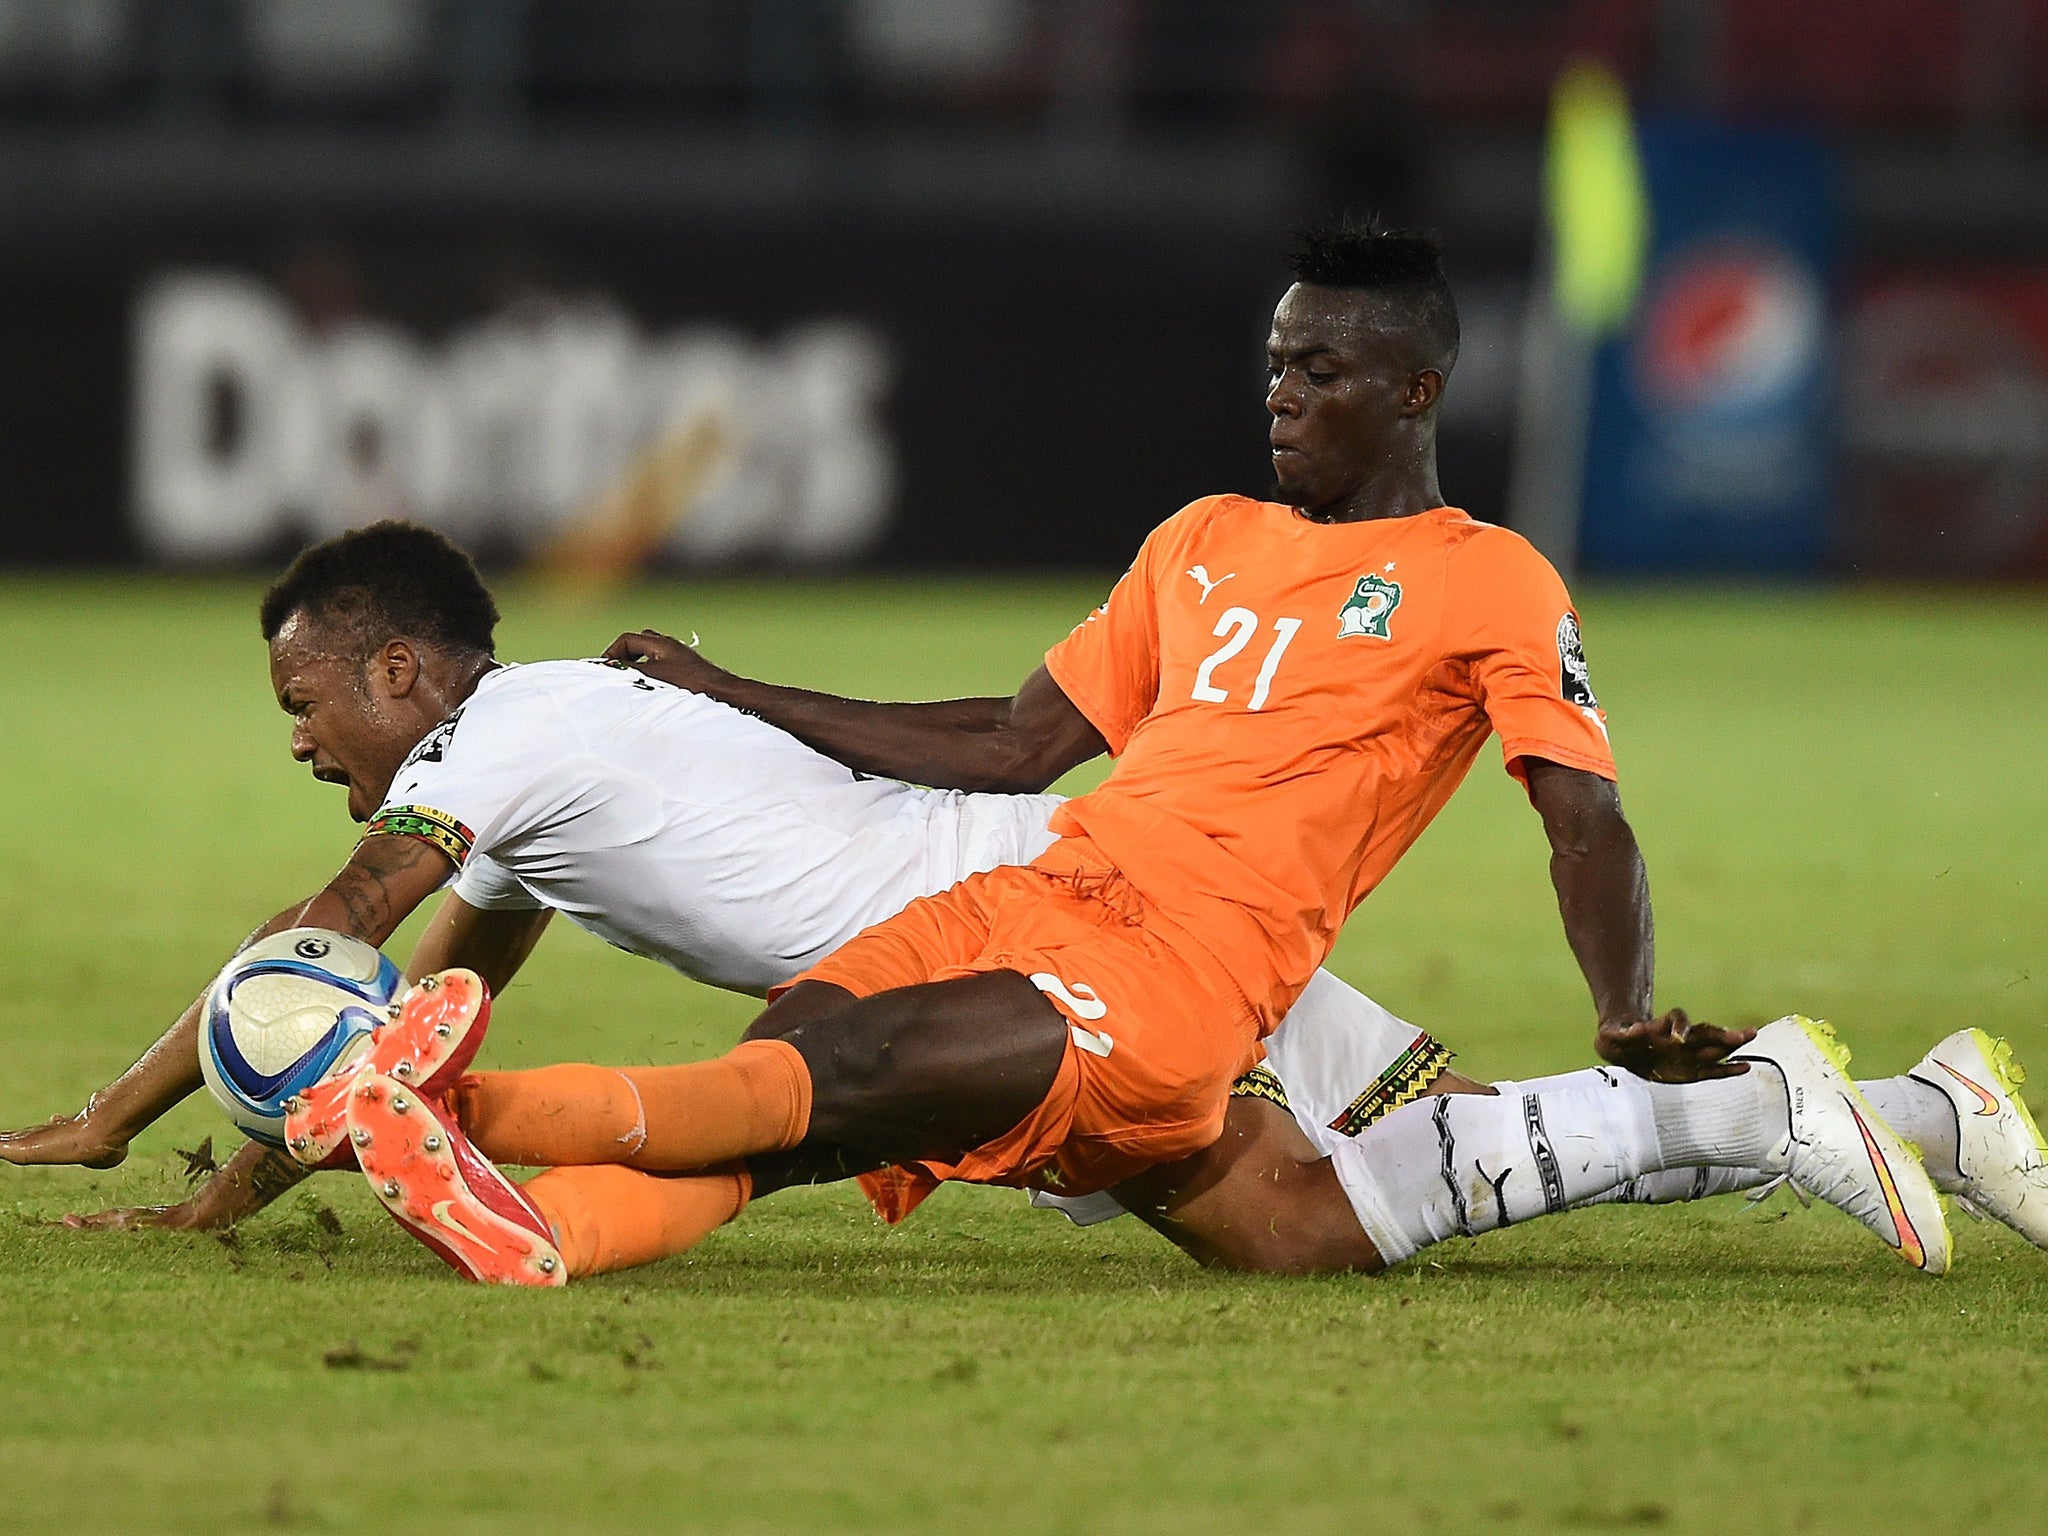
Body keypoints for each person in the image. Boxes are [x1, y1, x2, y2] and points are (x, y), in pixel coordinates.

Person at [292, 222, 1957, 1283]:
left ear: (1419, 386)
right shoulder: (1207, 535)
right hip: (1050, 878)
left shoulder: (1488, 577)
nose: (1283, 390)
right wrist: (745, 691)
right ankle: (1871, 1117)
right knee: (1282, 1225)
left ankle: (458, 1116)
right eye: (1275, 361)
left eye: (1321, 366)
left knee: (838, 1090)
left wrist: (1616, 1014)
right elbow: (1016, 745)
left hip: (1196, 965)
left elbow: (1583, 820)